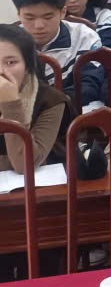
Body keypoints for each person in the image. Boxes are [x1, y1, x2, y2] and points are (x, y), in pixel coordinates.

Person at [13, 0, 106, 110]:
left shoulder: (84, 37)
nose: (39, 26)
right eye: (29, 17)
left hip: (70, 108)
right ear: (18, 14)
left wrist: (55, 106)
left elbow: (90, 82)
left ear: (63, 12)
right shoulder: (7, 42)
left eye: (48, 17)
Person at [0, 24, 72, 174]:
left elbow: (24, 164)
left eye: (11, 62)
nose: (1, 71)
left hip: (42, 184)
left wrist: (10, 104)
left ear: (27, 67)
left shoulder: (51, 101)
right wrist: (6, 162)